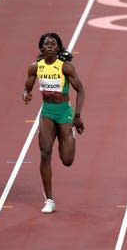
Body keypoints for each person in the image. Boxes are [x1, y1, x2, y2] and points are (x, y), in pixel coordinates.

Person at [22, 32, 85, 214]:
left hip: (64, 113)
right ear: (41, 48)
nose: (49, 45)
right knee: (44, 154)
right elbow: (27, 87)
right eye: (46, 43)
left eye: (53, 43)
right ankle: (49, 199)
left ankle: (68, 137)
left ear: (58, 48)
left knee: (67, 160)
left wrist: (77, 115)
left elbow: (80, 91)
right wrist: (26, 94)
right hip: (47, 113)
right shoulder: (35, 67)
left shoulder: (66, 68)